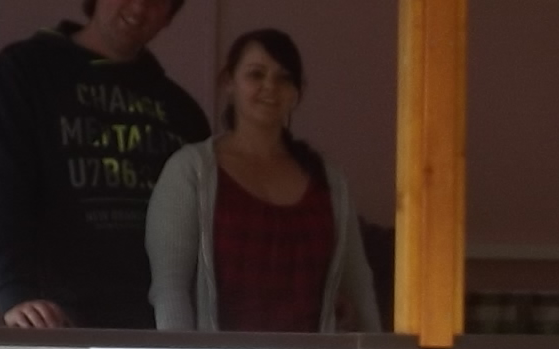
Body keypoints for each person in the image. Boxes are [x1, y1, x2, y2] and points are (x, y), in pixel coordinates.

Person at [0, 0, 213, 329]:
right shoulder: (26, 72)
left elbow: (204, 234)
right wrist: (15, 294)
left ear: (169, 17)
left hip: (159, 328)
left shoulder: (181, 113)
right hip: (54, 321)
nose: (139, 6)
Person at [145, 29, 382, 333]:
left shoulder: (328, 180)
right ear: (228, 82)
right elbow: (170, 289)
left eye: (284, 78)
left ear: (297, 92)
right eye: (256, 74)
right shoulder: (191, 171)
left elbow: (359, 286)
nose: (270, 86)